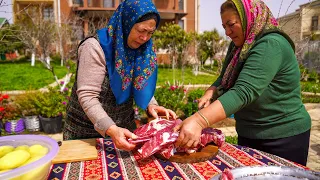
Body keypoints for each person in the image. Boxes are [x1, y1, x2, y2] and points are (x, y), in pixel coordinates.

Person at [174, 0, 311, 166]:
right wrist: (212, 90)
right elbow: (226, 76)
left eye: (231, 24)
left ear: (250, 18)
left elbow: (244, 91)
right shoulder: (240, 45)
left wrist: (198, 121)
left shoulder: (271, 44)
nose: (227, 32)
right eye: (224, 26)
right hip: (250, 132)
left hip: (282, 136)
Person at [63, 0, 177, 151]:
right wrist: (111, 129)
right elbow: (87, 96)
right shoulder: (95, 47)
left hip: (124, 131)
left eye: (150, 33)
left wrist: (152, 105)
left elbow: (140, 83)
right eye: (141, 30)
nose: (145, 38)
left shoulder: (141, 49)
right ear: (126, 23)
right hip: (85, 135)